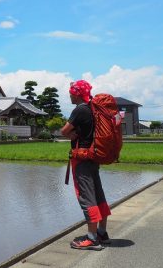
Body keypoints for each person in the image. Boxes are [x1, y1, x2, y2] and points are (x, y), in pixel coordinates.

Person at [60, 79, 111, 250]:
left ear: (77, 93)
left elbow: (64, 131)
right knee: (98, 194)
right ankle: (102, 233)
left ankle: (91, 238)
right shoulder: (92, 109)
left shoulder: (80, 110)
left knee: (86, 197)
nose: (69, 95)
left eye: (71, 92)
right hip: (94, 157)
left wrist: (72, 134)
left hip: (82, 158)